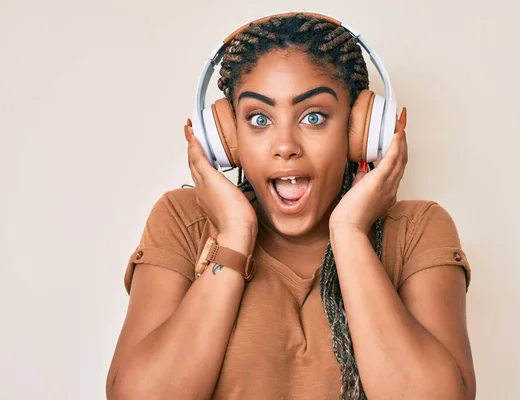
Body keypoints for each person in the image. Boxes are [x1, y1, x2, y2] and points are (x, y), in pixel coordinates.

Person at [106, 12, 475, 400]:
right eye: (259, 118)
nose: (285, 145)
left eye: (313, 117)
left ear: (360, 130)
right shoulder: (184, 220)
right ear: (227, 138)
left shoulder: (417, 229)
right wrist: (234, 235)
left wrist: (349, 233)